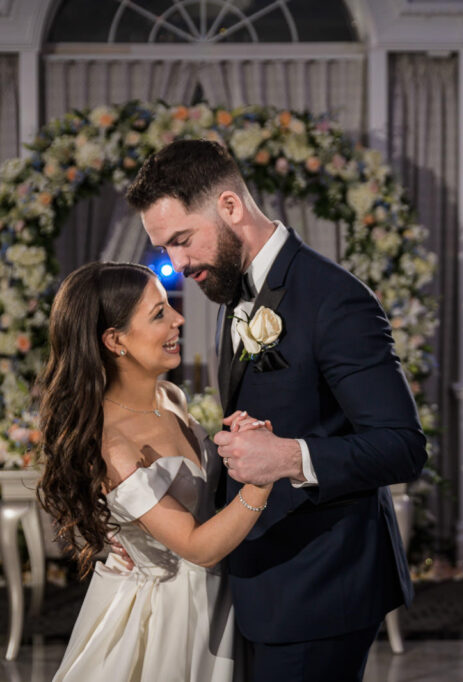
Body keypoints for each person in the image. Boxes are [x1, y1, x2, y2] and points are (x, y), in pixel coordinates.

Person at [126, 139, 427, 682]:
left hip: (320, 586)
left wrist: (290, 458)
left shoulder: (334, 299)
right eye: (165, 248)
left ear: (230, 207)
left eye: (182, 240)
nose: (177, 263)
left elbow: (403, 447)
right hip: (260, 579)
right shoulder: (231, 289)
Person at [37, 261, 272, 681]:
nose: (179, 319)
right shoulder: (115, 445)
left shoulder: (171, 396)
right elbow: (198, 548)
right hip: (169, 615)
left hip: (222, 596)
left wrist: (238, 441)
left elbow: (204, 493)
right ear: (115, 340)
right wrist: (263, 478)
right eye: (159, 313)